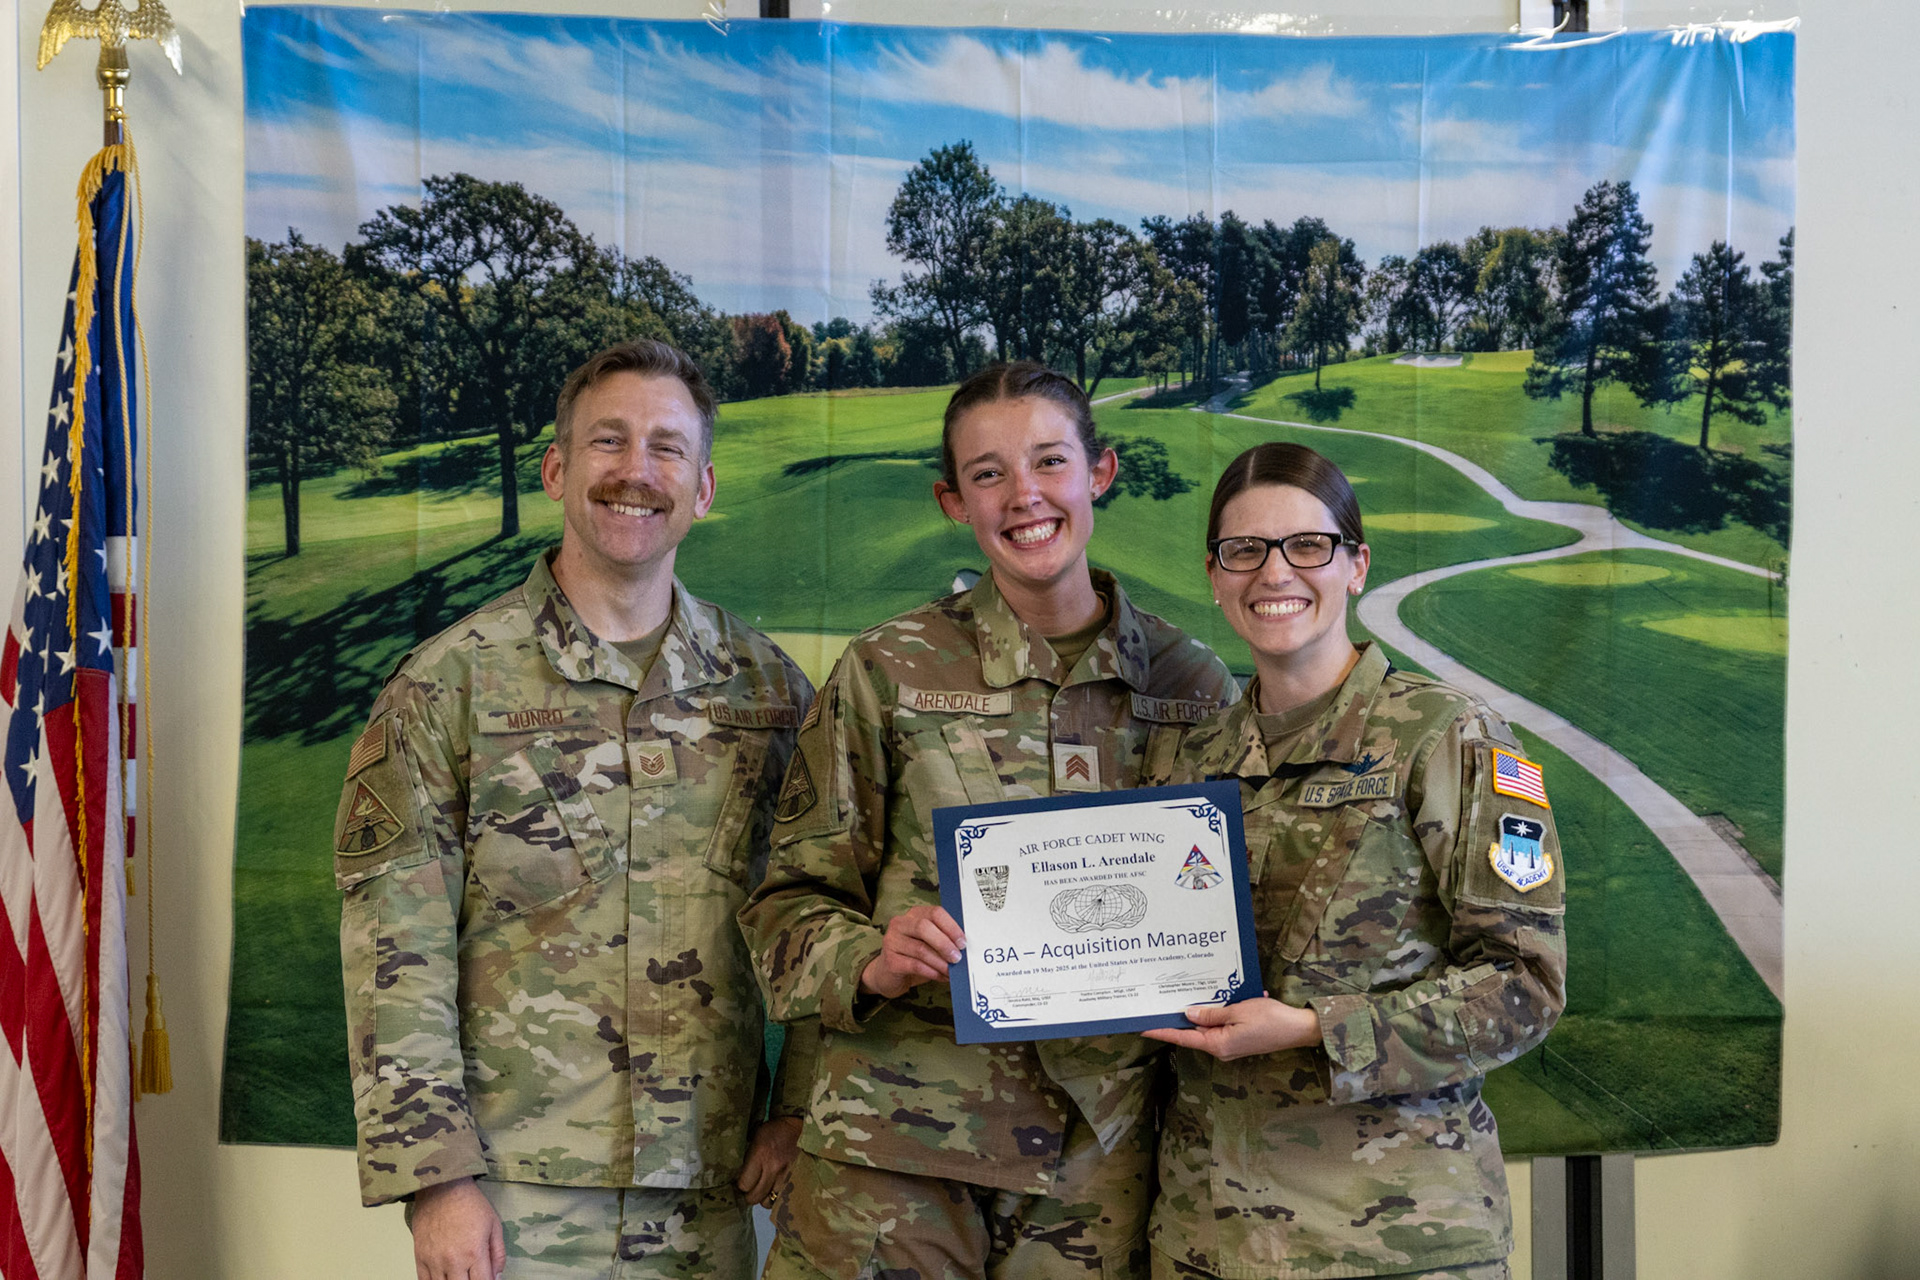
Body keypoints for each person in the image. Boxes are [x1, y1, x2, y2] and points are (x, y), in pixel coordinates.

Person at [738, 361, 1238, 1280]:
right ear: (952, 501)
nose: (1024, 496)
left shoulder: (1192, 685)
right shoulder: (887, 671)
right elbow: (785, 913)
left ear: (1100, 472)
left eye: (1050, 461)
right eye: (987, 473)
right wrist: (873, 959)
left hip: (1101, 1169)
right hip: (899, 1152)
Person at [333, 339, 816, 1280]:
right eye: (609, 440)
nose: (637, 470)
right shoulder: (448, 685)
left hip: (707, 1194)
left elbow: (818, 916)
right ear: (557, 470)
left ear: (703, 488)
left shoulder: (769, 693)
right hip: (515, 1200)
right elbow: (395, 950)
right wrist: (436, 1181)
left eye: (667, 447)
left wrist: (796, 1110)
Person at [1138, 441, 1567, 1280]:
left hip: (1393, 1241)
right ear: (1215, 575)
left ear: (1356, 566)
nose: (1275, 572)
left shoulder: (1450, 738)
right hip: (1206, 1238)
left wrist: (1313, 1031)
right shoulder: (1185, 763)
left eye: (1308, 545)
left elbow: (1525, 986)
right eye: (1245, 550)